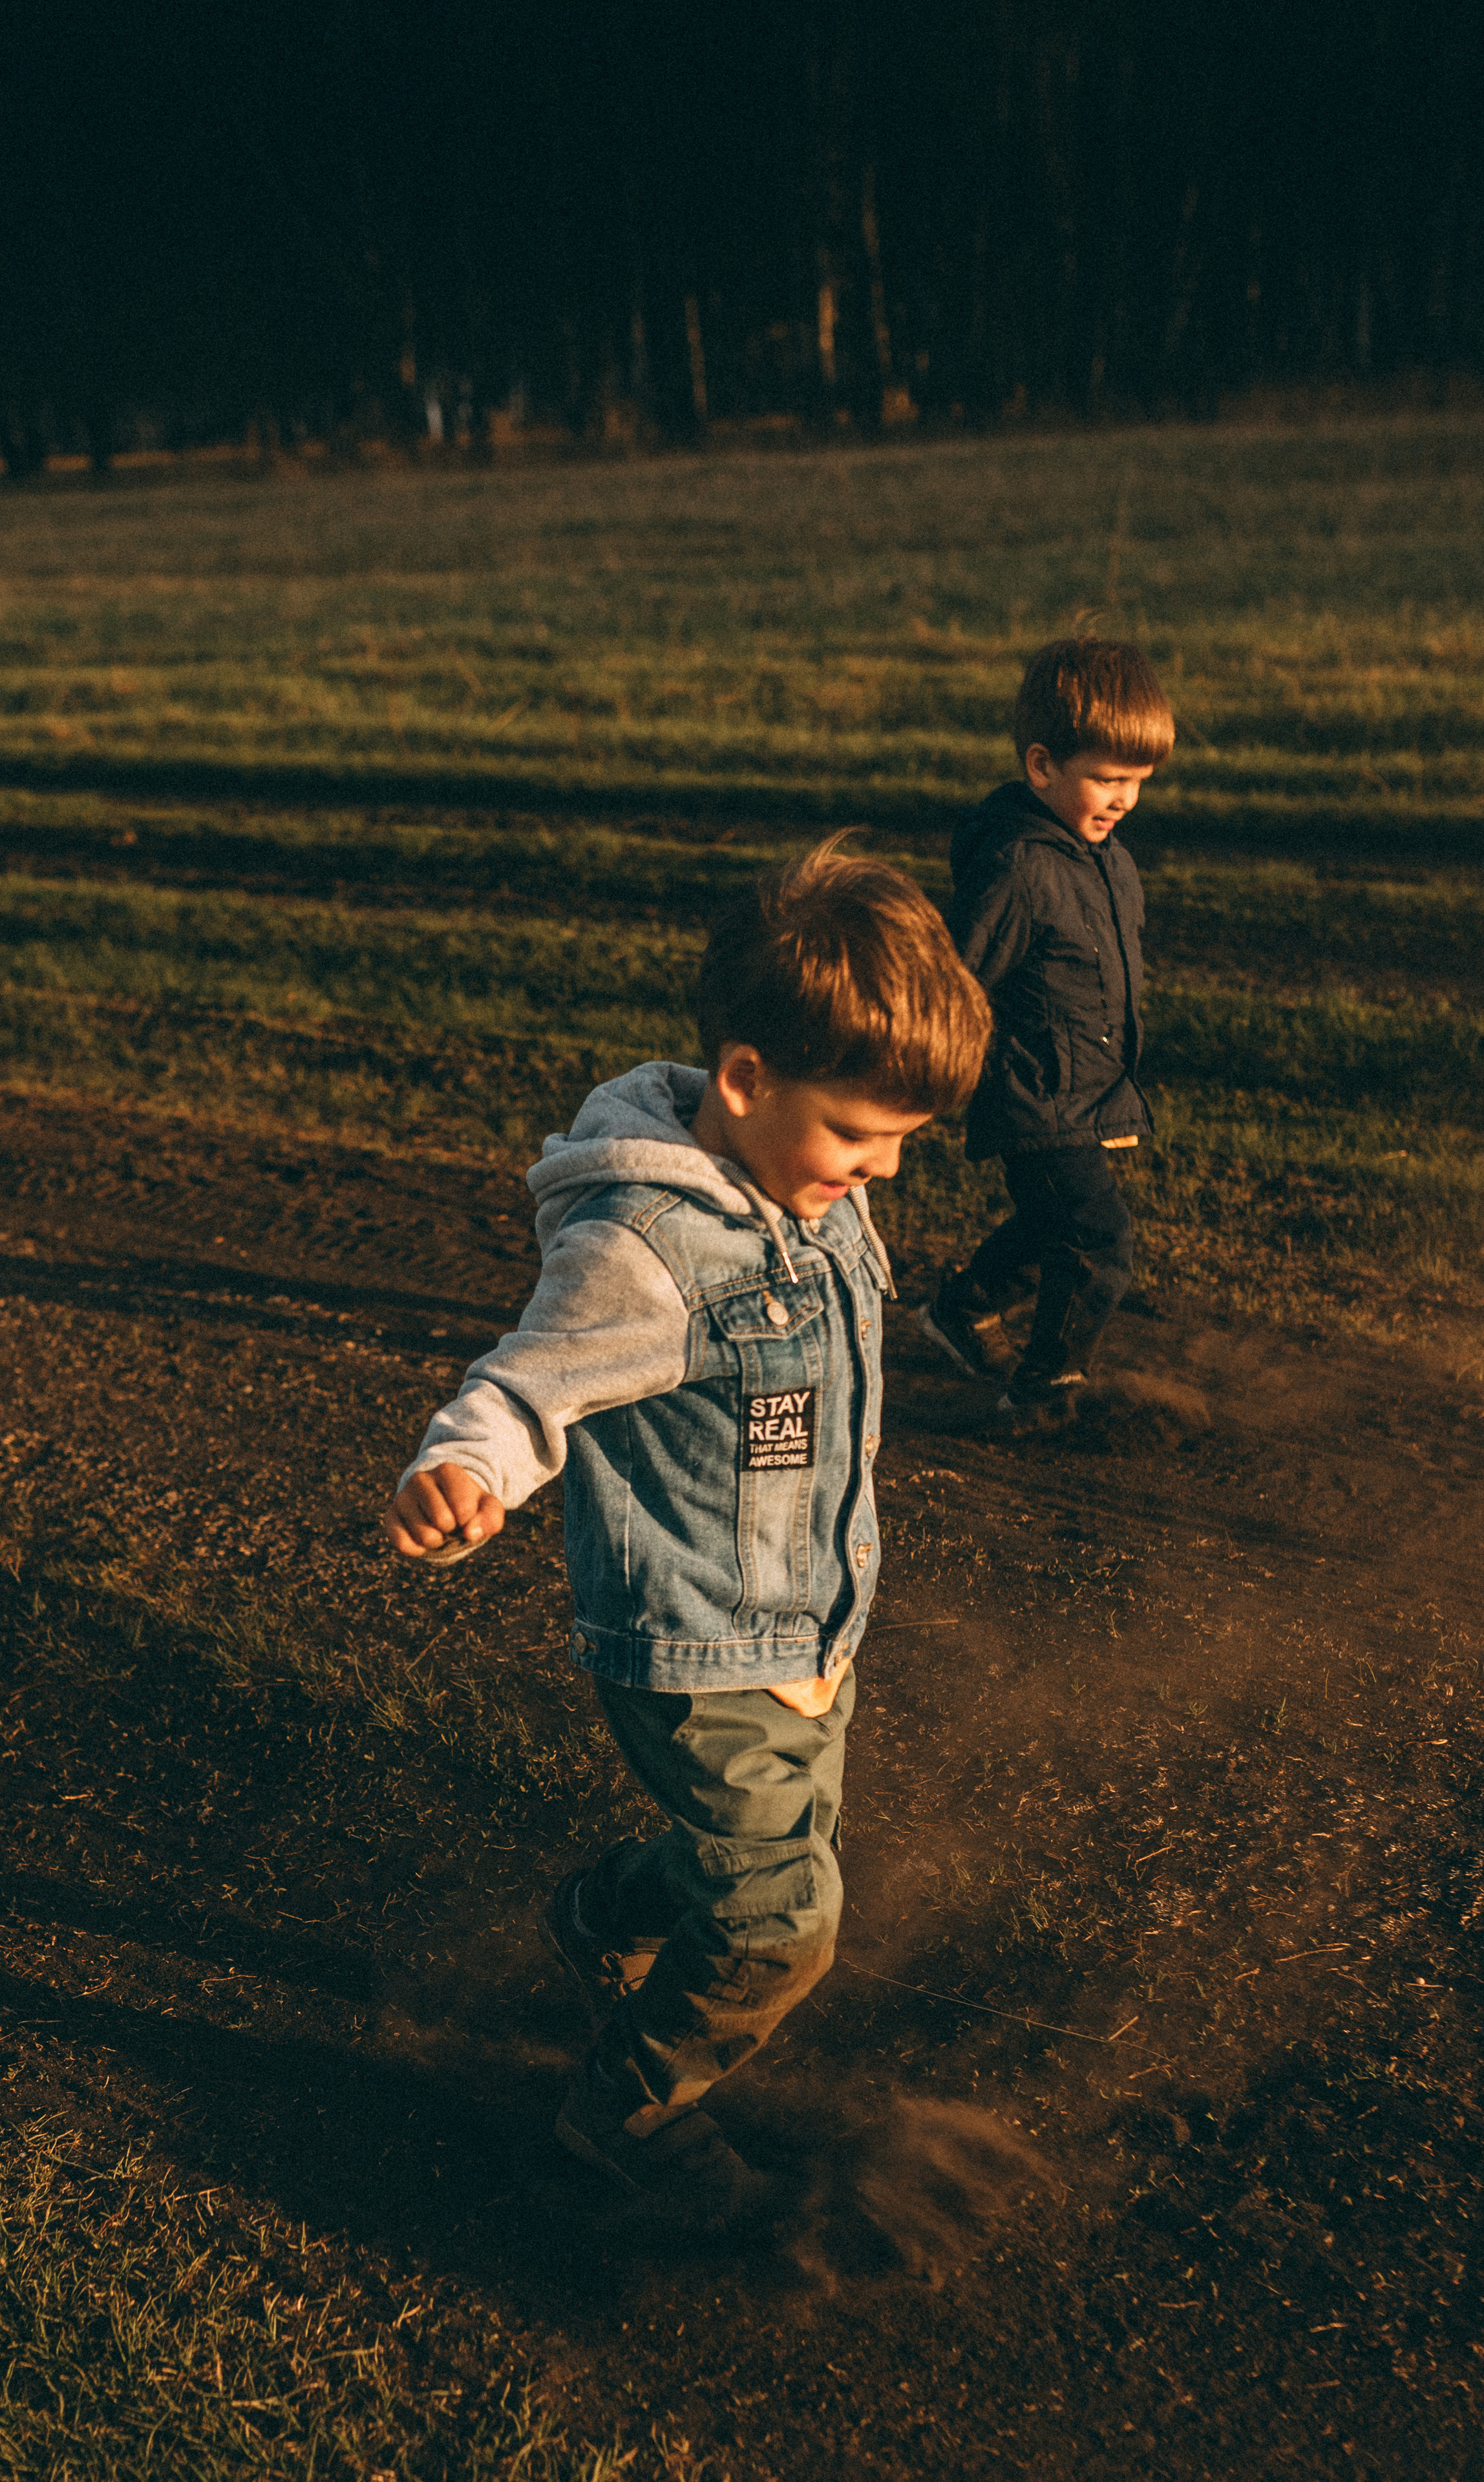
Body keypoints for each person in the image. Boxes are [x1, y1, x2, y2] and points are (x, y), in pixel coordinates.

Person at [381, 840, 990, 2220]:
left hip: (805, 1625)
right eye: (861, 1134)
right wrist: (461, 1469)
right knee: (783, 1919)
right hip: (695, 1649)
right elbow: (523, 1382)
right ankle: (628, 2111)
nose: (883, 1171)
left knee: (775, 1845)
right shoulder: (644, 1250)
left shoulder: (800, 1186)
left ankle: (604, 1917)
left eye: (904, 1142)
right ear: (742, 1080)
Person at [920, 637, 1175, 1428]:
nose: (1123, 798)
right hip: (1032, 1094)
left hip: (1085, 1091)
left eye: (1137, 781)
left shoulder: (1108, 860)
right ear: (1041, 767)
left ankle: (961, 1310)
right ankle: (1045, 1389)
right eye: (1106, 777)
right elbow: (956, 980)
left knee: (1048, 1227)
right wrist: (920, 1072)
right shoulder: (1018, 869)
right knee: (1097, 1241)